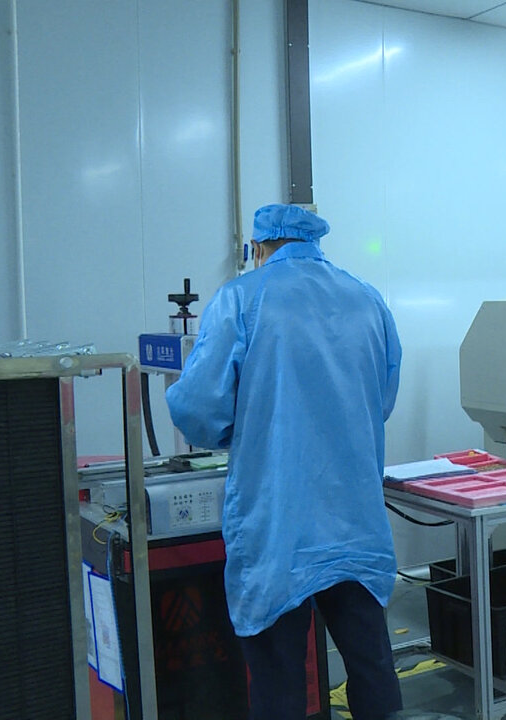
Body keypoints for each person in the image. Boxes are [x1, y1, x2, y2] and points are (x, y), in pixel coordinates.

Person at [167, 204, 403, 720]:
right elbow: (381, 400)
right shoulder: (367, 299)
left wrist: (246, 432)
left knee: (279, 682)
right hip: (355, 523)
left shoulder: (241, 298)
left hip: (279, 529)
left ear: (258, 247)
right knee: (371, 669)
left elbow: (198, 409)